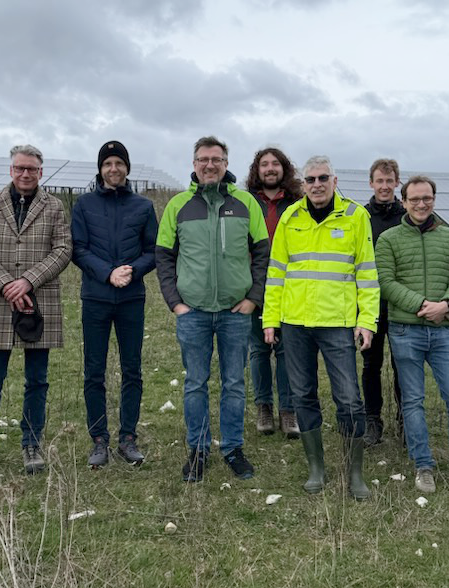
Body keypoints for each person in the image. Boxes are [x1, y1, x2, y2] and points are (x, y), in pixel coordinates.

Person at [263, 156, 378, 500]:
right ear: (304, 183)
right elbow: (277, 272)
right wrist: (270, 319)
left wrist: (366, 320)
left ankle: (354, 472)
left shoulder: (356, 216)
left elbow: (367, 273)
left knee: (349, 398)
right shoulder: (291, 217)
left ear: (334, 180)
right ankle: (317, 468)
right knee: (302, 395)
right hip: (295, 322)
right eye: (310, 179)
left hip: (337, 323)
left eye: (322, 178)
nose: (316, 185)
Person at [156, 135, 269, 482]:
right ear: (194, 165)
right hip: (194, 313)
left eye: (216, 159)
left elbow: (264, 253)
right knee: (196, 383)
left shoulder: (246, 203)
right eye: (203, 159)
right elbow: (163, 256)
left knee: (234, 383)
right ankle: (199, 449)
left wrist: (253, 298)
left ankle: (233, 448)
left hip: (236, 313)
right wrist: (176, 303)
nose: (210, 165)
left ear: (225, 163)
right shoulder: (178, 206)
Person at [0, 144, 72, 479]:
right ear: (11, 170)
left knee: (37, 380)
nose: (26, 174)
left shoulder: (54, 206)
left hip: (40, 300)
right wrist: (6, 284)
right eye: (20, 168)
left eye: (32, 169)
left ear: (42, 171)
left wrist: (27, 281)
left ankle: (32, 443)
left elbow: (64, 248)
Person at [376, 176, 449, 494]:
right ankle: (423, 465)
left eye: (427, 198)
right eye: (414, 199)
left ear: (434, 199)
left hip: (445, 331)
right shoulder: (388, 239)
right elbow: (386, 282)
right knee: (413, 402)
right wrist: (422, 305)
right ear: (403, 201)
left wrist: (446, 303)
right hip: (405, 331)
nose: (421, 204)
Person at [71, 141, 158, 468]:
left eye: (119, 163)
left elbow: (153, 250)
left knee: (131, 369)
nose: (113, 169)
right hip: (96, 298)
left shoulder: (143, 206)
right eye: (108, 163)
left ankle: (128, 438)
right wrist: (107, 273)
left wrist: (133, 271)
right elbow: (78, 249)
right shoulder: (84, 205)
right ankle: (98, 440)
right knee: (94, 370)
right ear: (100, 168)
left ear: (127, 168)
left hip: (131, 299)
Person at [245, 146, 302, 438]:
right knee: (258, 350)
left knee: (285, 350)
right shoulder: (246, 202)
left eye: (275, 164)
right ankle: (264, 406)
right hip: (254, 284)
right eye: (264, 164)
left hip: (289, 285)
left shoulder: (297, 202)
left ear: (284, 169)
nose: (270, 169)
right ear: (257, 170)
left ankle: (288, 410)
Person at [362, 158, 406, 446]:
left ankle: (406, 420)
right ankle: (372, 419)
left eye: (390, 181)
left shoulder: (408, 214)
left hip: (402, 306)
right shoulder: (360, 217)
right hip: (371, 306)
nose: (385, 186)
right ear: (372, 183)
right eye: (380, 181)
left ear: (397, 183)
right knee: (371, 365)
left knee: (403, 365)